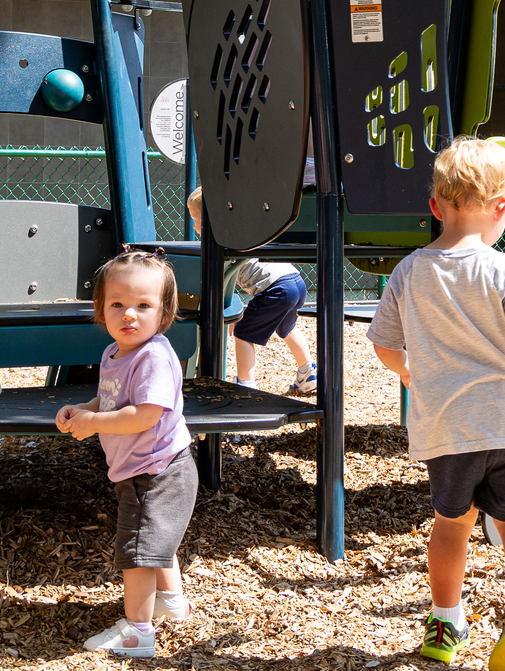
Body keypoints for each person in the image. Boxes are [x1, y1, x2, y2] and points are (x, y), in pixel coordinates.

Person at [369, 138, 505, 670]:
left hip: (445, 428)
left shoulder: (409, 272)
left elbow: (383, 345)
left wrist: (407, 372)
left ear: (435, 207)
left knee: (451, 524)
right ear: (503, 208)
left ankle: (445, 622)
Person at [57, 250, 197, 659]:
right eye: (117, 304)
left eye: (143, 305)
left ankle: (138, 631)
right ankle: (170, 601)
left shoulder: (153, 356)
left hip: (156, 472)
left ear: (164, 312)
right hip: (148, 468)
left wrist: (96, 423)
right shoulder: (115, 353)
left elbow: (145, 415)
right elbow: (111, 399)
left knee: (137, 551)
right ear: (100, 309)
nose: (129, 314)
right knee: (156, 542)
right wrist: (86, 410)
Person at [185, 186, 317, 394]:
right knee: (287, 328)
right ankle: (308, 373)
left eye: (196, 219)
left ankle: (246, 384)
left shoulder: (222, 238)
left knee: (243, 333)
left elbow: (223, 277)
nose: (193, 226)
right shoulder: (244, 230)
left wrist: (232, 311)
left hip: (276, 288)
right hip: (295, 281)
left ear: (212, 219)